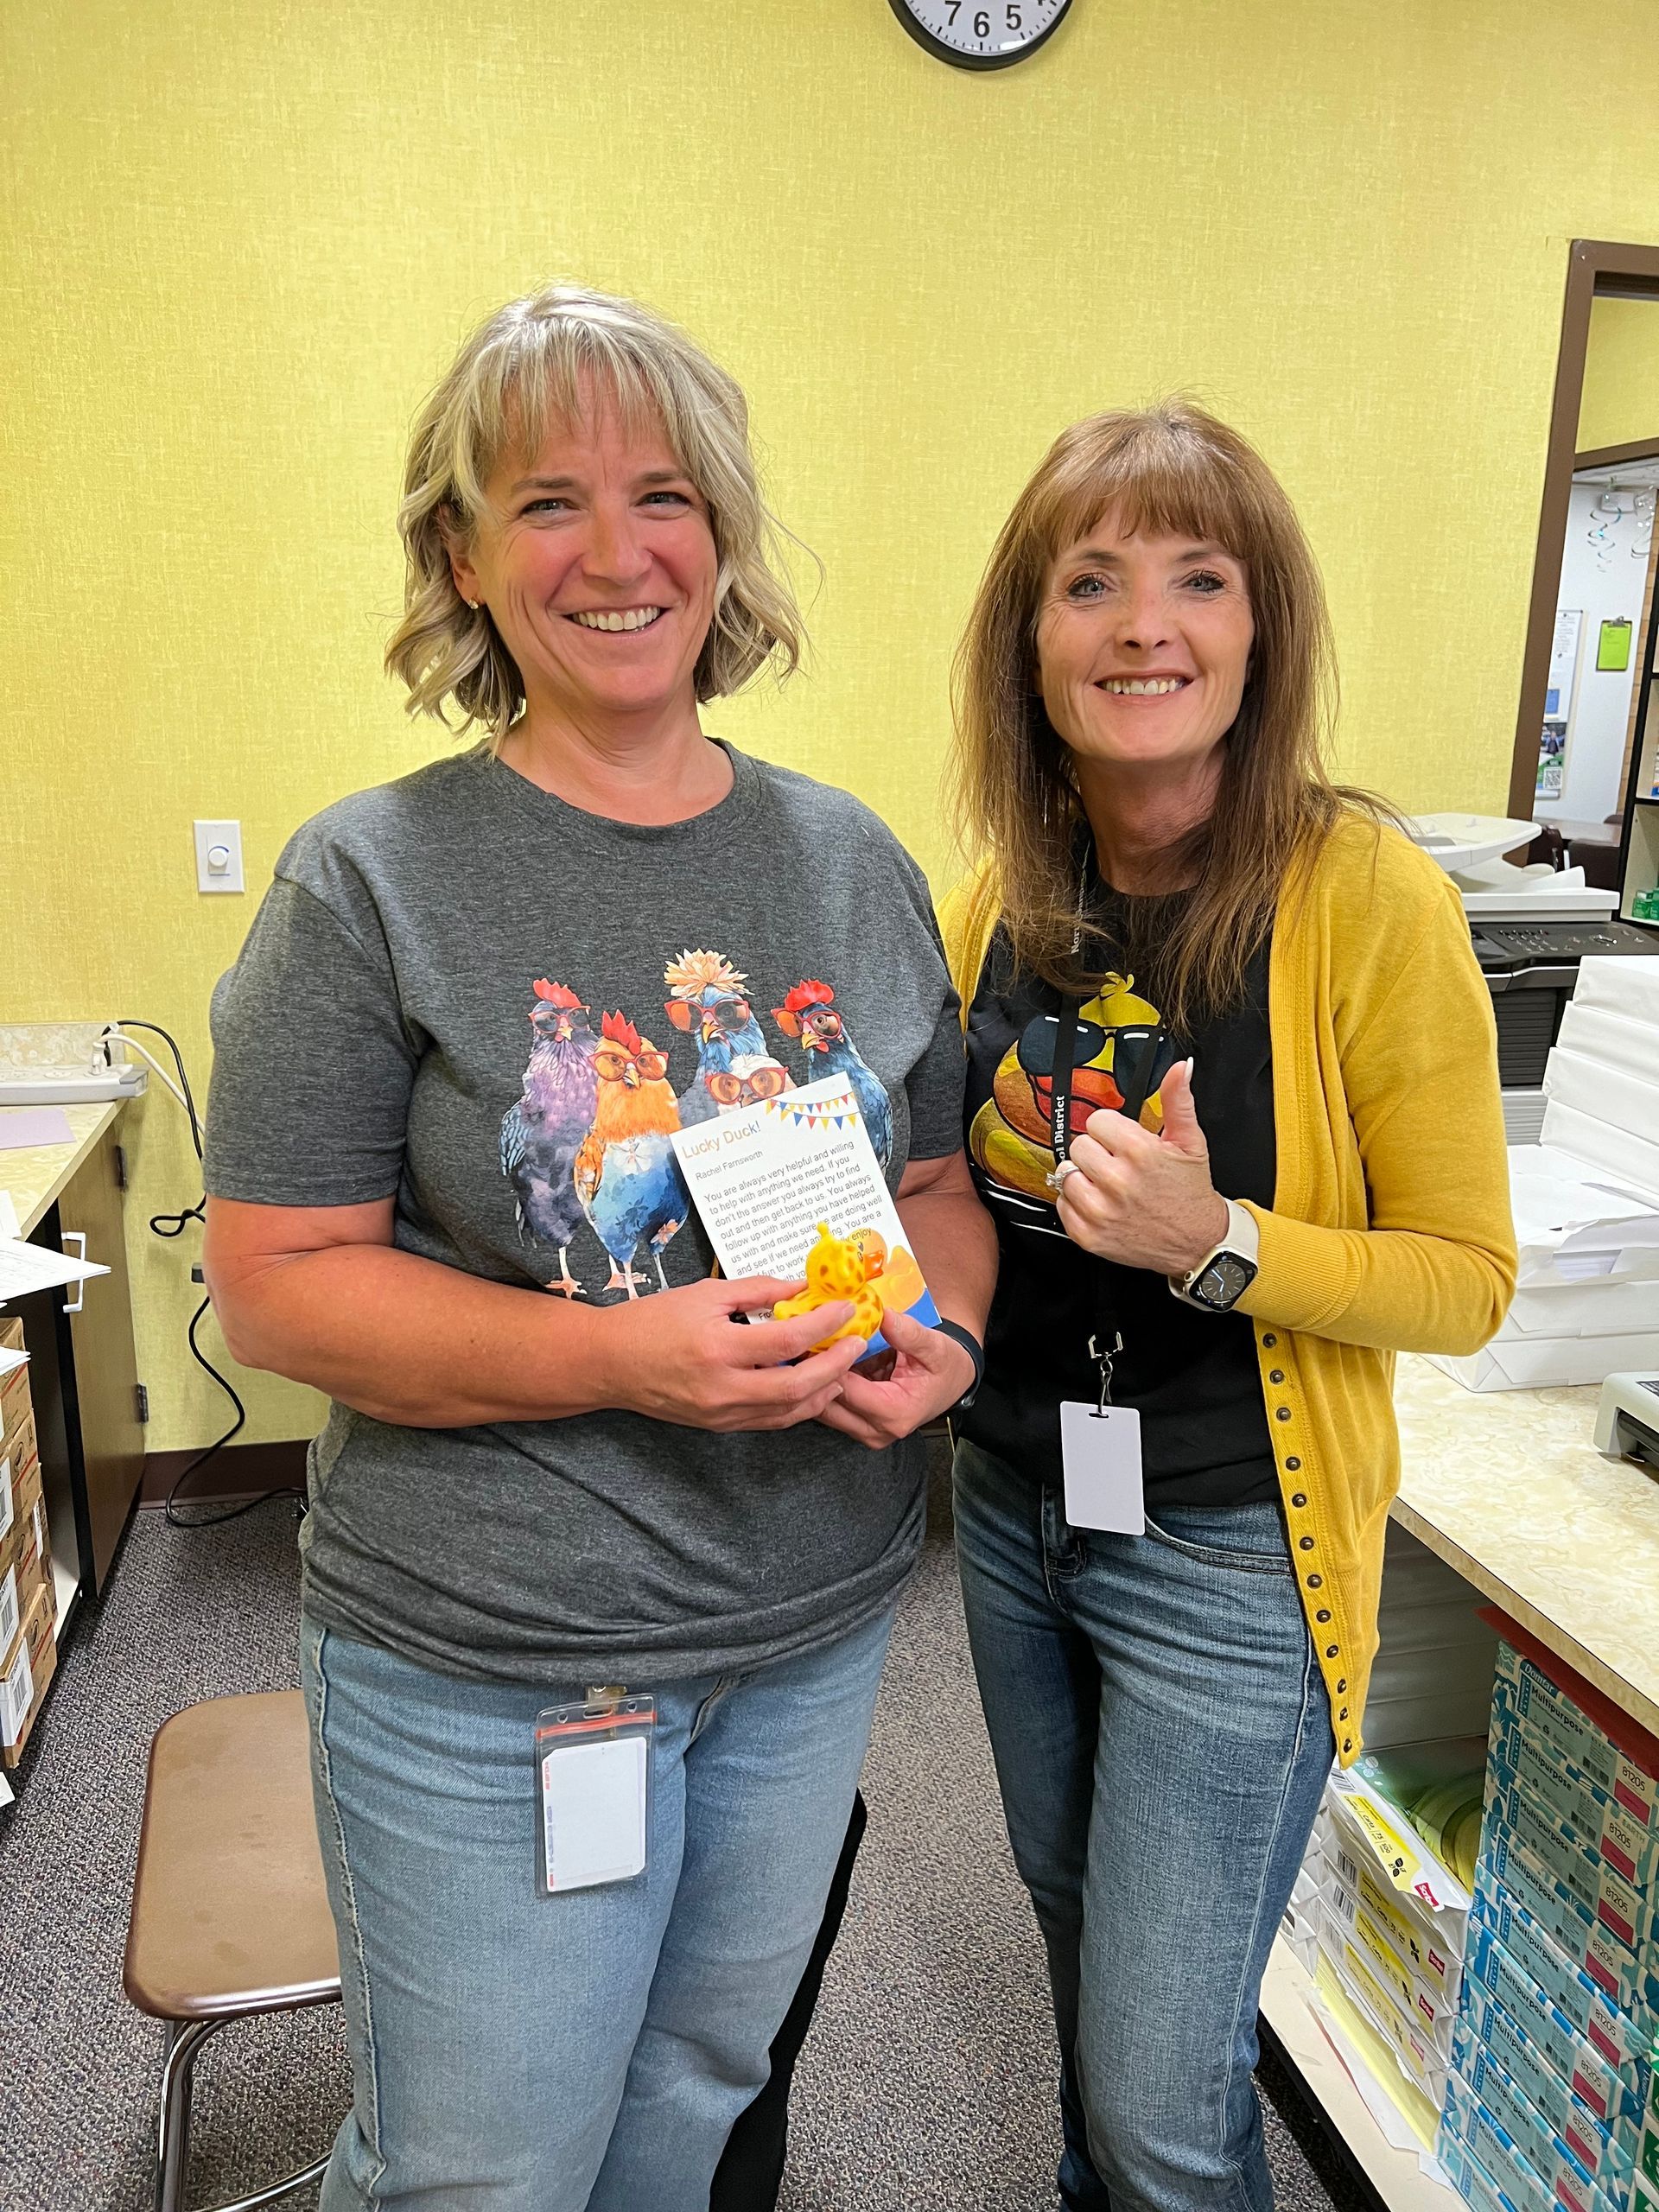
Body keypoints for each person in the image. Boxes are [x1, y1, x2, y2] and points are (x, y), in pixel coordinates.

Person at [201, 283, 995, 2212]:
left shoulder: (852, 857)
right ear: (462, 555)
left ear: (722, 541)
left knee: (698, 2098)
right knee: (482, 2166)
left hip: (807, 1643)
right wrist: (622, 1357)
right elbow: (281, 1278)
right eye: (547, 500)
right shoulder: (370, 877)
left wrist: (945, 1333)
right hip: (503, 1669)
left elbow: (939, 1187)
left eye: (664, 494)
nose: (617, 551)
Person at [938, 400, 1516, 2211]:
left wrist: (1220, 1237)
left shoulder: (1367, 899)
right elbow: (963, 1199)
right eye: (1089, 581)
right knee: (1080, 1941)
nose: (1143, 625)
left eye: (1199, 576)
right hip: (1015, 1509)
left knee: (1167, 2092)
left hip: (1231, 1553)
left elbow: (1468, 1279)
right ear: (1029, 643)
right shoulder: (1001, 903)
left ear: (1261, 631)